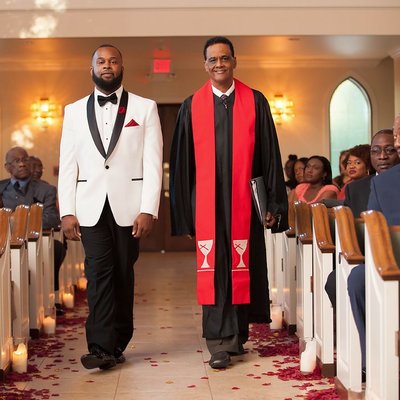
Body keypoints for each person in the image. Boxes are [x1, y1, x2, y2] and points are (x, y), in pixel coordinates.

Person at [169, 36, 288, 370]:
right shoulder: (192, 105)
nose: (219, 64)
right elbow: (182, 165)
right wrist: (184, 214)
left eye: (224, 58)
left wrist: (273, 204)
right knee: (215, 268)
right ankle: (219, 342)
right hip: (206, 203)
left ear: (235, 61)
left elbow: (269, 154)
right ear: (204, 65)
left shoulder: (255, 100)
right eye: (212, 59)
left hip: (244, 201)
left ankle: (236, 336)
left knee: (240, 265)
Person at [58, 44, 163, 371]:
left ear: (121, 67)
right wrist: (66, 210)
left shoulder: (145, 108)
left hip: (129, 207)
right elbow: (68, 163)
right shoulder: (73, 111)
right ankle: (100, 346)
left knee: (122, 272)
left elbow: (153, 162)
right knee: (98, 272)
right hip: (88, 206)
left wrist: (149, 208)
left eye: (113, 61)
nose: (107, 66)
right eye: (101, 61)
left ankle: (118, 341)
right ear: (91, 68)